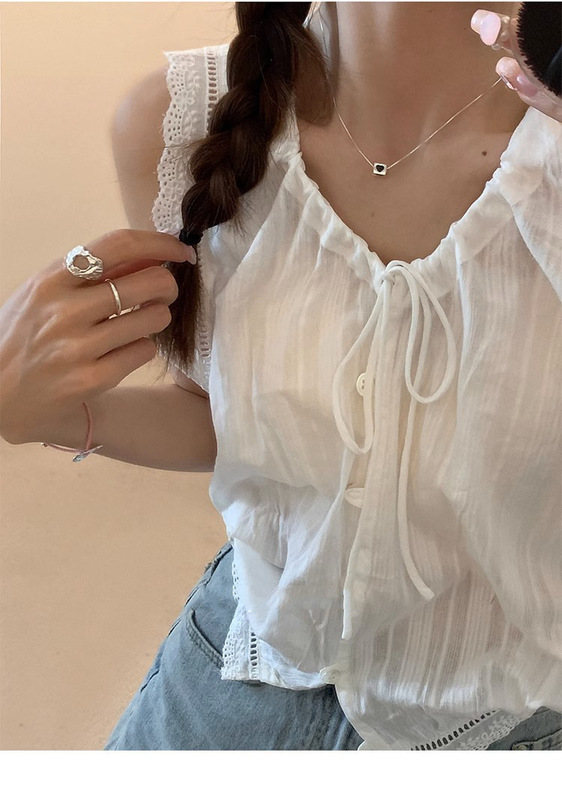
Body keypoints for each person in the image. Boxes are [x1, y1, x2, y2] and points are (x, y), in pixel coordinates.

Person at [1, 2, 561, 750]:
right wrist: (39, 414)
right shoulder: (183, 120)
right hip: (237, 677)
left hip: (515, 714)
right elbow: (215, 415)